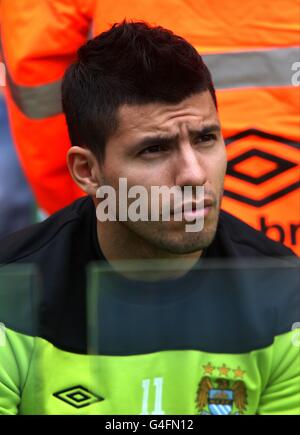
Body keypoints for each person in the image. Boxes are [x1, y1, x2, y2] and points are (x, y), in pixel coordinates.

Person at [0, 21, 299, 415]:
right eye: (155, 149)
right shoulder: (10, 290)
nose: (194, 174)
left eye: (206, 138)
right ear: (87, 171)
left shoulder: (285, 296)